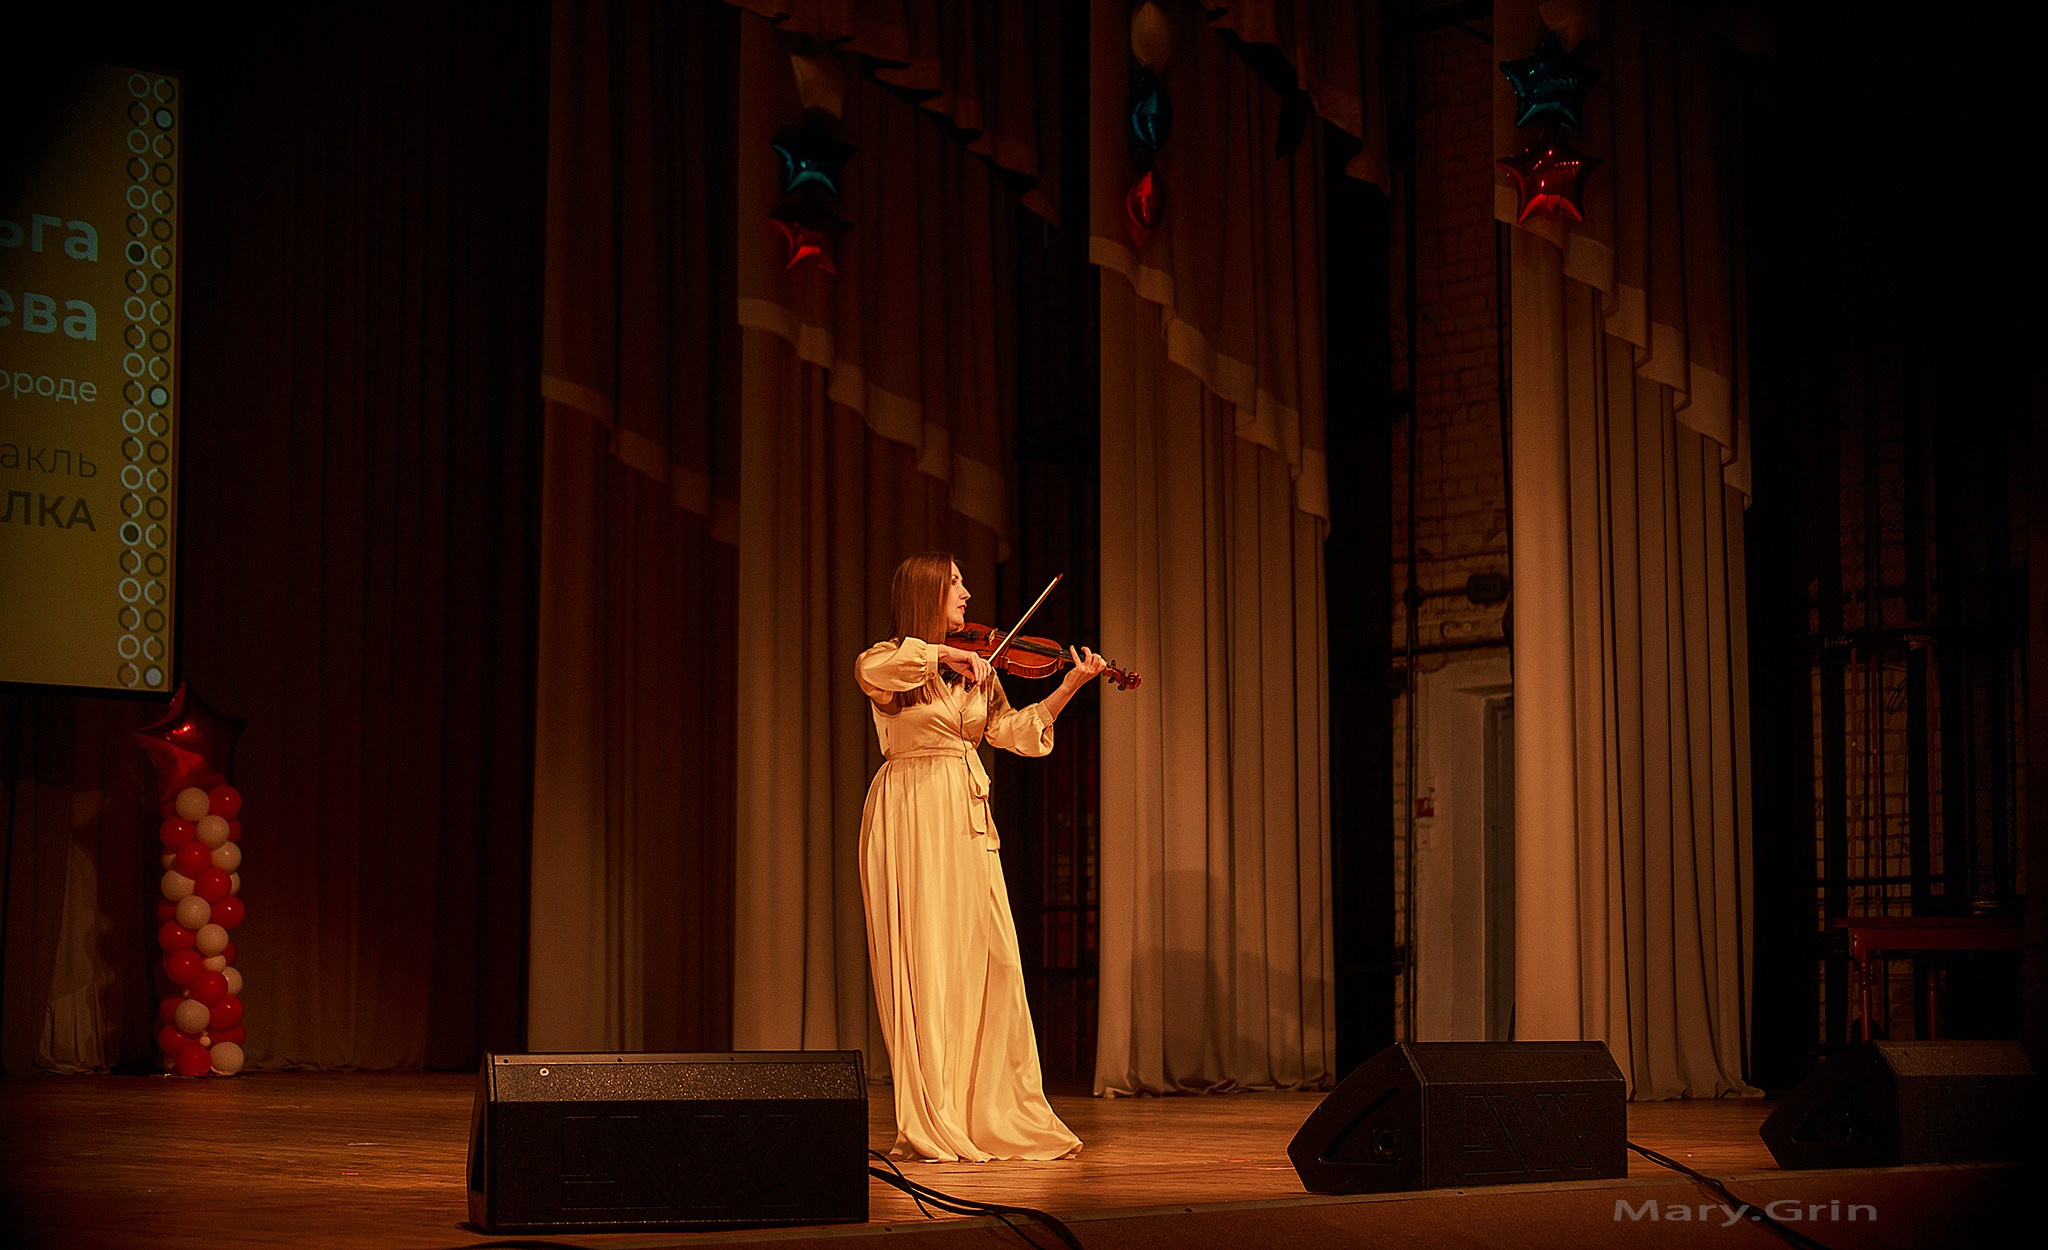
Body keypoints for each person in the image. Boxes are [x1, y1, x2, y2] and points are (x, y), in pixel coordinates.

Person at [855, 552, 1107, 1162]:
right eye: (956, 584)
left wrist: (1068, 688)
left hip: (967, 819)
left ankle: (995, 1111)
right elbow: (874, 667)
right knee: (929, 962)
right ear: (928, 592)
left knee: (991, 958)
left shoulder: (980, 671)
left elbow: (1013, 734)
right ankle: (935, 1114)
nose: (967, 594)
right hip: (912, 815)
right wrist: (944, 653)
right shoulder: (889, 660)